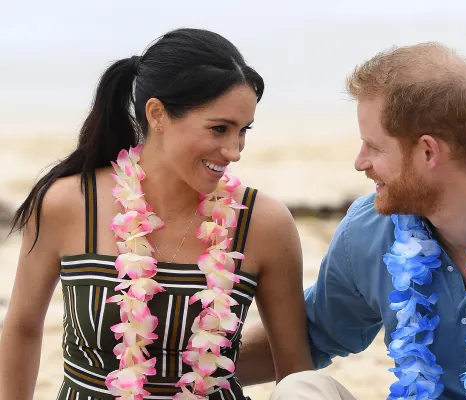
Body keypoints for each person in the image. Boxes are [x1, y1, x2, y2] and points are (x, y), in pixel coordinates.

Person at [237, 43, 466, 400]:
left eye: (374, 147)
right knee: (300, 391)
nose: (360, 162)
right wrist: (204, 363)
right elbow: (306, 336)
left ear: (428, 151)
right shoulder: (370, 230)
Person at [0, 28, 313, 400]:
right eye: (219, 129)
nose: (234, 151)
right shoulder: (69, 203)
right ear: (157, 114)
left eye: (243, 130)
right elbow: (23, 328)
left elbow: (295, 372)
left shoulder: (264, 224)